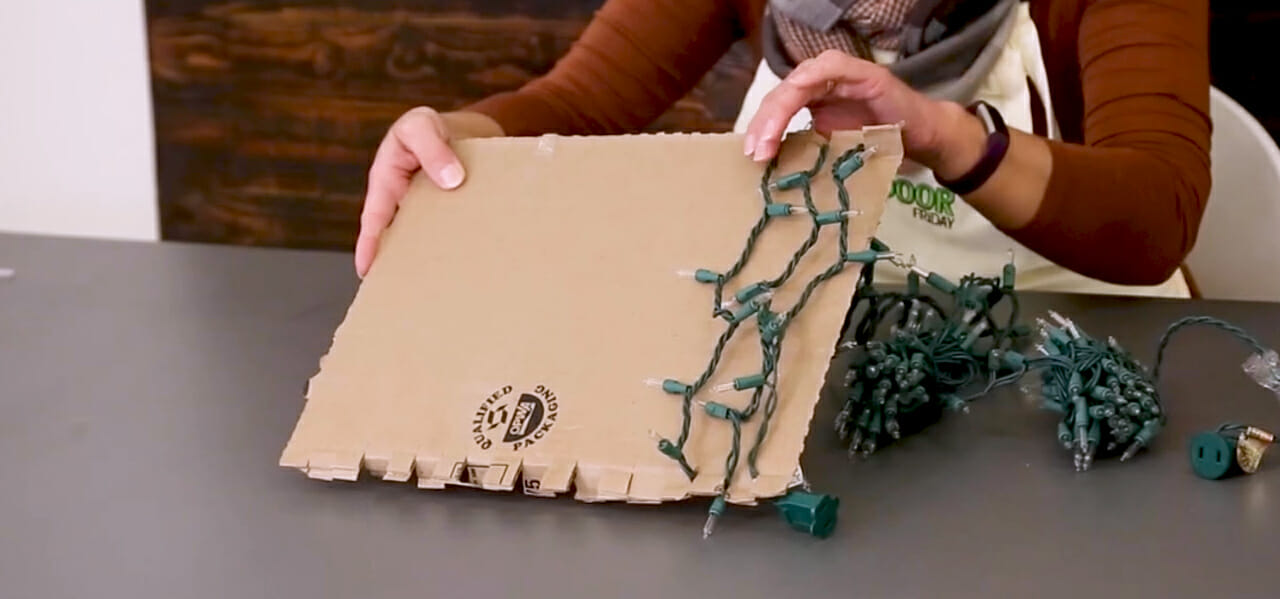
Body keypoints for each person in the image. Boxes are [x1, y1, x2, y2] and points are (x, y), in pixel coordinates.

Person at [355, 0, 1209, 297]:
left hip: (1087, 345)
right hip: (842, 343)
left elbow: (1157, 213)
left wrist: (944, 137)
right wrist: (454, 140)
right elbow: (579, 102)